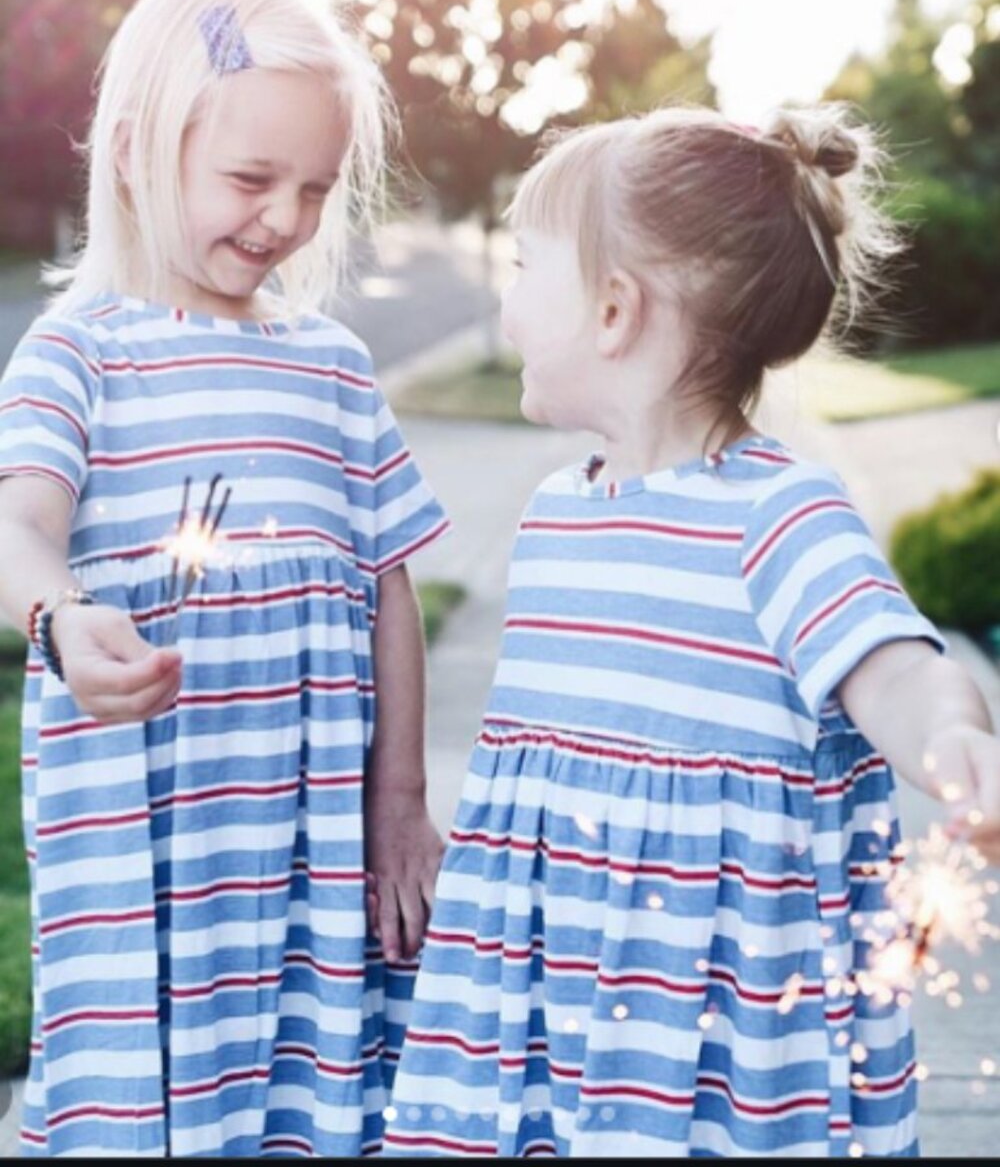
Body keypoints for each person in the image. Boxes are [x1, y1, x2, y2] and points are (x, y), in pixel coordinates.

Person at [382, 105, 1000, 1158]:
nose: (506, 296)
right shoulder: (554, 518)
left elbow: (892, 665)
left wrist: (951, 741)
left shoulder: (779, 516)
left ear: (614, 309)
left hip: (704, 1041)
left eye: (527, 266)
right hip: (552, 1013)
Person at [0, 0, 450, 1157]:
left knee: (316, 1093)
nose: (287, 219)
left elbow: (387, 584)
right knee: (151, 1104)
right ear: (144, 148)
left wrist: (398, 803)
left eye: (314, 187)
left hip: (310, 839)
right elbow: (15, 521)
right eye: (252, 179)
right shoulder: (80, 353)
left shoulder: (335, 367)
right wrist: (57, 614)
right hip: (148, 838)